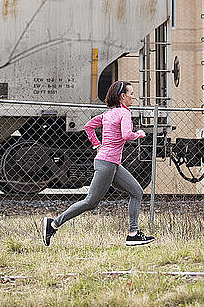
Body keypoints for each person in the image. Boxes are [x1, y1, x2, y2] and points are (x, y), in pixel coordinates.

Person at [42, 81, 155, 247]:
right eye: (131, 93)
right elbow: (126, 135)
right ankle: (53, 224)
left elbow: (88, 127)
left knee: (136, 191)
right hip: (107, 164)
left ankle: (133, 234)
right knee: (91, 202)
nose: (133, 96)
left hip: (111, 163)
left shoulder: (108, 114)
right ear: (122, 96)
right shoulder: (124, 114)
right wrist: (139, 134)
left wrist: (96, 145)